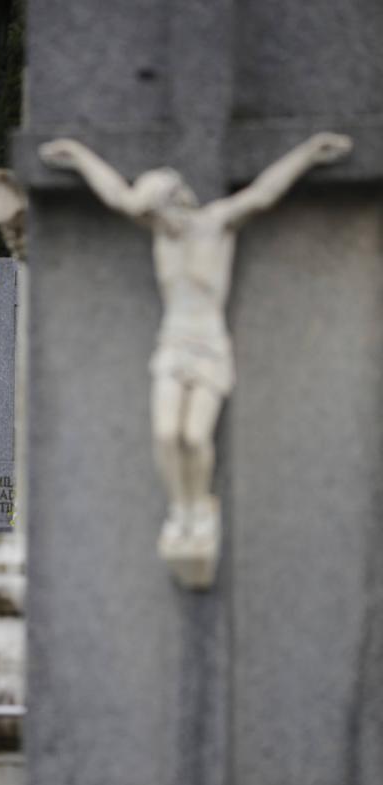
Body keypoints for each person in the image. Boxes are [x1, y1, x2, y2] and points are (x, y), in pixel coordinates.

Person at [40, 133, 352, 580]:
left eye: (155, 212)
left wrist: (308, 153)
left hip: (209, 344)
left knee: (194, 437)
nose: (150, 221)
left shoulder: (217, 223)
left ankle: (201, 506)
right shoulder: (159, 232)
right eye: (147, 215)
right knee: (166, 434)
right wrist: (77, 156)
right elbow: (115, 196)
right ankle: (181, 510)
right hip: (172, 342)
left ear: (177, 201)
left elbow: (263, 194)